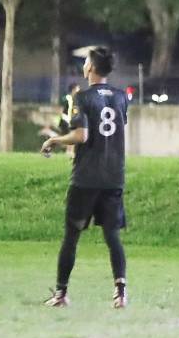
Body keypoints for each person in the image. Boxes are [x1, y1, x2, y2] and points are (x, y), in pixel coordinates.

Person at [41, 47, 130, 309]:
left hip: (86, 178)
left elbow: (82, 135)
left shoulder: (82, 97)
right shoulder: (121, 97)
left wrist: (54, 140)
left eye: (85, 62)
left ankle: (61, 294)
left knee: (72, 236)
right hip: (113, 176)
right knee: (112, 236)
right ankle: (121, 293)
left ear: (90, 67)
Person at [40, 83, 81, 157]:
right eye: (77, 89)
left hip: (69, 120)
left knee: (65, 138)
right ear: (73, 90)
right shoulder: (68, 98)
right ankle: (69, 152)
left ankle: (49, 143)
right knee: (71, 136)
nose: (79, 91)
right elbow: (62, 109)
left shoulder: (75, 99)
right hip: (66, 120)